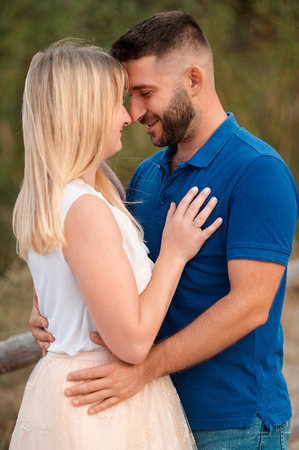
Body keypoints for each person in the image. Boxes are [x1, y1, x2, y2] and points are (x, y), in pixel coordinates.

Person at [30, 12, 299, 450]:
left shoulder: (258, 171)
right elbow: (114, 272)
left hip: (230, 421)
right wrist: (50, 305)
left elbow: (250, 305)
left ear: (193, 79)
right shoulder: (146, 175)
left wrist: (144, 368)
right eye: (128, 95)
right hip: (144, 414)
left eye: (144, 93)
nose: (134, 112)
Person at [10, 40, 224, 450]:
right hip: (101, 403)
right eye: (115, 102)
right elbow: (132, 343)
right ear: (84, 113)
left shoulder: (65, 196)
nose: (128, 116)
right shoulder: (84, 207)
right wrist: (174, 254)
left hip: (84, 391)